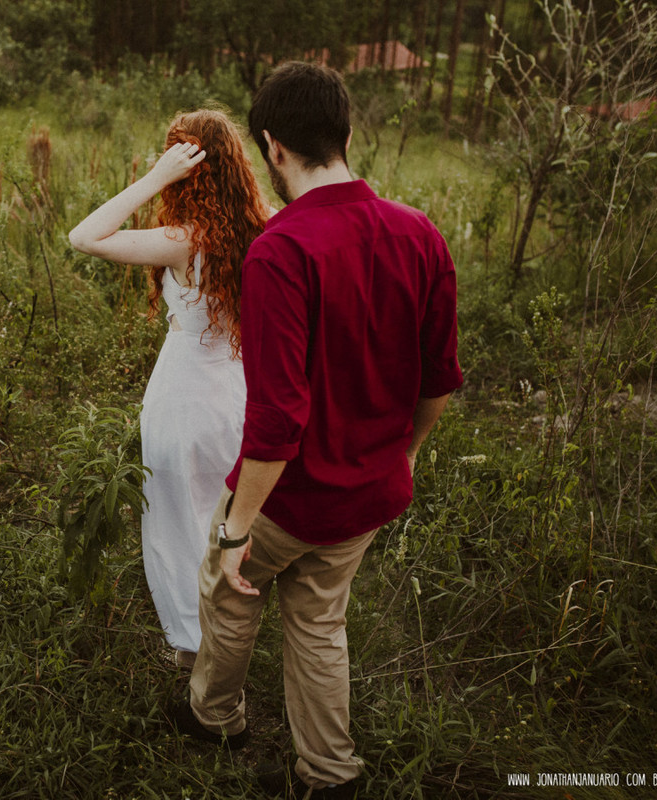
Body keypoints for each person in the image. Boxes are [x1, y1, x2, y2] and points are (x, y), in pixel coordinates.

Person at [168, 62, 463, 800]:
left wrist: (237, 526)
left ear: (272, 146)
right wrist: (406, 456)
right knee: (320, 623)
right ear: (348, 133)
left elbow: (277, 420)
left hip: (289, 497)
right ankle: (330, 774)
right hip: (367, 491)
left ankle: (216, 718)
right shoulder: (419, 233)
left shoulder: (281, 251)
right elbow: (439, 379)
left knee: (231, 590)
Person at [68, 109, 272, 667]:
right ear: (236, 165)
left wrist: (155, 178)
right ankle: (233, 636)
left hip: (184, 401)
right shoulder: (266, 226)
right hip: (240, 396)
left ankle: (195, 650)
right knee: (227, 521)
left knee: (178, 526)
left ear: (184, 168)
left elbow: (83, 236)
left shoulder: (184, 239)